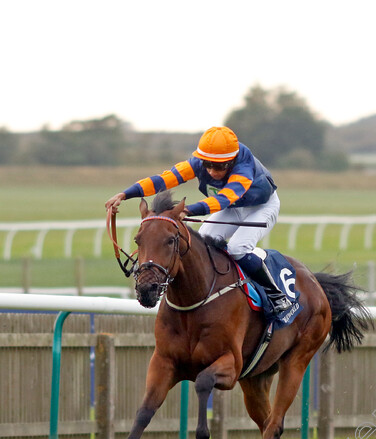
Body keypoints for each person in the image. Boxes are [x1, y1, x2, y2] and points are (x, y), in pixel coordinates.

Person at [105, 126, 292, 314]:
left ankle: (276, 294)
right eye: (207, 164)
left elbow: (225, 198)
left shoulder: (244, 167)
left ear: (232, 160)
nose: (211, 171)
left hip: (261, 208)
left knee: (237, 248)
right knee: (203, 244)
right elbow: (164, 180)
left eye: (219, 166)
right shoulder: (197, 163)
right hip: (233, 208)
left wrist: (190, 210)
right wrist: (125, 194)